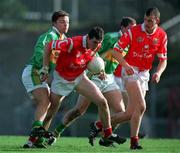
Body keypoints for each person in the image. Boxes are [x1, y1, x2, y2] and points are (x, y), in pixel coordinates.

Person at [46, 17, 136, 147]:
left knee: (120, 111)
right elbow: (92, 52)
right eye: (131, 28)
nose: (134, 31)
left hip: (108, 77)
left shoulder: (128, 43)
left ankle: (104, 135)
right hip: (93, 76)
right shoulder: (110, 38)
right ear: (123, 28)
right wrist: (97, 67)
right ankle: (56, 133)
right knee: (78, 111)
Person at [87, 7, 168, 150]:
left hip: (145, 73)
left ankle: (99, 125)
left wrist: (158, 73)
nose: (146, 23)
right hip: (130, 71)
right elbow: (116, 51)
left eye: (150, 21)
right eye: (145, 19)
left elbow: (163, 59)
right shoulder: (133, 31)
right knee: (141, 106)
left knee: (130, 113)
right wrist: (125, 65)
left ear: (157, 21)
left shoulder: (162, 35)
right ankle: (134, 142)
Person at [21, 10, 69, 148]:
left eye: (67, 22)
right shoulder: (49, 35)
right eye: (62, 22)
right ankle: (36, 131)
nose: (65, 25)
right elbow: (40, 51)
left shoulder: (64, 40)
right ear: (54, 23)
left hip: (42, 75)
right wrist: (45, 67)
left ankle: (33, 140)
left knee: (49, 105)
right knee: (45, 102)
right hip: (33, 71)